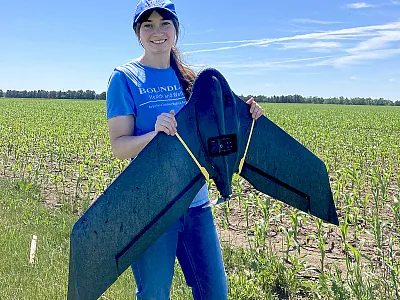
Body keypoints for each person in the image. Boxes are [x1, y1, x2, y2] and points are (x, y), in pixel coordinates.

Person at [105, 0, 264, 299]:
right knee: (154, 293)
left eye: (165, 23)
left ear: (176, 30)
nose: (157, 31)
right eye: (148, 24)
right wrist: (155, 134)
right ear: (138, 32)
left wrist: (248, 117)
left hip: (196, 205)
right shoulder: (124, 78)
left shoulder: (190, 80)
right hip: (151, 209)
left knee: (214, 292)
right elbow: (119, 147)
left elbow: (218, 137)